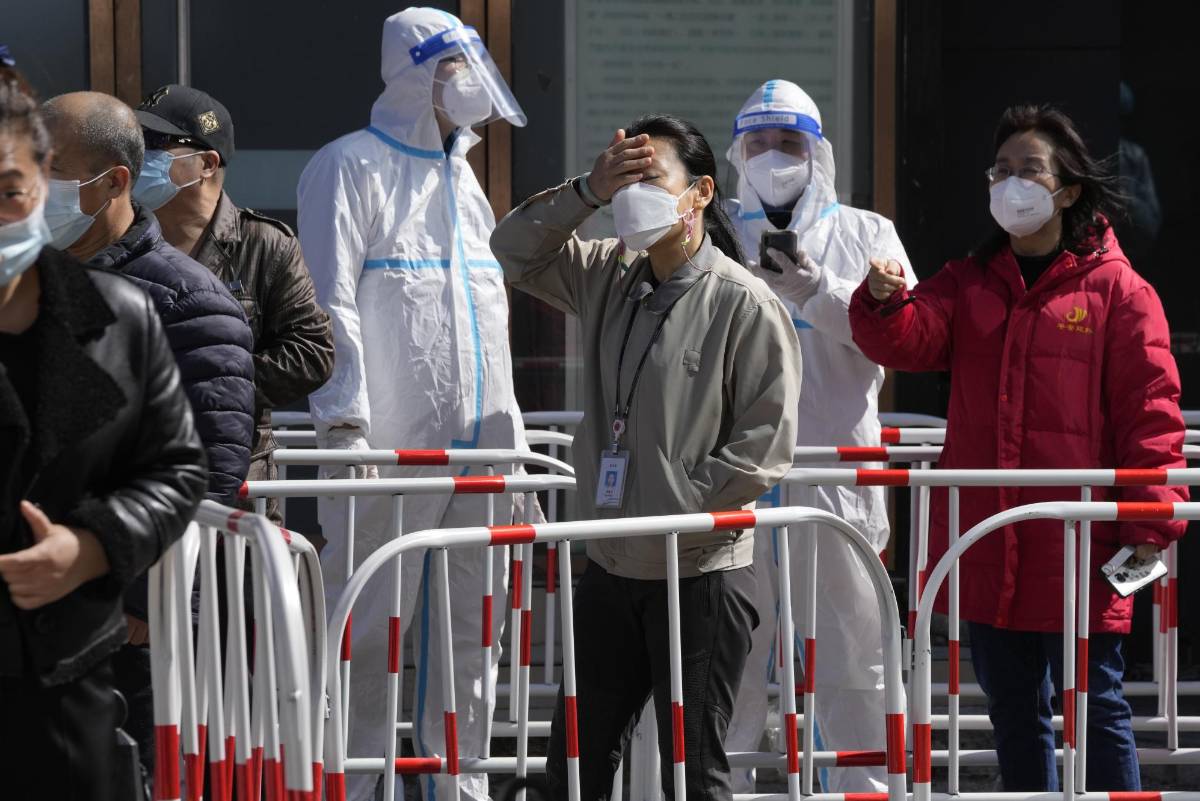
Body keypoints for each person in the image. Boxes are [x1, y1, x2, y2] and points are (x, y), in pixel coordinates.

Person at [849, 104, 1188, 791]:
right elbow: (906, 338)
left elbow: (1152, 415)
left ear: (1068, 189)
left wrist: (1150, 527)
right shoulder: (969, 281)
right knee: (1012, 712)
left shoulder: (1120, 292)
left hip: (1082, 550)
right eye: (1001, 170)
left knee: (1098, 709)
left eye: (1029, 169)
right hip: (989, 542)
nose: (1012, 183)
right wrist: (882, 299)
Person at [492, 114, 801, 801]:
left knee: (693, 773)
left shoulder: (743, 301)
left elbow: (765, 442)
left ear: (700, 193)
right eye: (624, 181)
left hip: (700, 570)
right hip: (611, 563)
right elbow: (513, 249)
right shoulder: (609, 273)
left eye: (650, 179)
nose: (634, 197)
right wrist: (587, 191)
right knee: (575, 766)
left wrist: (679, 504)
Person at [296, 9, 532, 801]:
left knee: (474, 630)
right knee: (367, 626)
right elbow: (330, 305)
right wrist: (345, 425)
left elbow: (488, 321)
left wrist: (513, 441)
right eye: (454, 67)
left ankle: (459, 784)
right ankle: (356, 784)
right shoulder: (348, 167)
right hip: (387, 451)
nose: (468, 84)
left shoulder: (465, 181)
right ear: (413, 74)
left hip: (482, 451)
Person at [40, 90, 255, 788]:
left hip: (129, 621)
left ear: (113, 183)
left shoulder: (186, 301)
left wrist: (141, 597)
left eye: (51, 170)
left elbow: (212, 465)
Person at [0, 77, 207, 801]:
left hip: (71, 681)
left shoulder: (120, 315)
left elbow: (179, 470)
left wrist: (91, 546)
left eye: (14, 188)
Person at [722, 79, 914, 794]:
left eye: (790, 143)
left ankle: (861, 790)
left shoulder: (868, 234)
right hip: (735, 481)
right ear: (738, 153)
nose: (775, 157)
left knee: (853, 659)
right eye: (760, 143)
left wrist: (817, 289)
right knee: (729, 660)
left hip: (836, 481)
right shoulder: (712, 233)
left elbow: (899, 338)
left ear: (818, 152)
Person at [134, 83, 334, 521]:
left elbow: (312, 353)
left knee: (236, 570)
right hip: (137, 473)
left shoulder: (265, 244)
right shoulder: (122, 238)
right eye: (137, 139)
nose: (139, 154)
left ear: (207, 163)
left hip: (237, 483)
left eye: (156, 143)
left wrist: (211, 386)